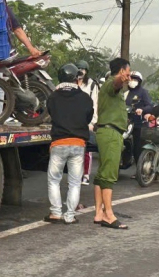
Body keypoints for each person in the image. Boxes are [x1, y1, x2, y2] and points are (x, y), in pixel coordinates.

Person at [45, 63, 94, 224]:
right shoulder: (85, 98)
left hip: (58, 142)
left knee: (54, 180)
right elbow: (88, 117)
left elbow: (51, 114)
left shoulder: (53, 97)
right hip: (78, 143)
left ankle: (56, 213)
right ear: (76, 79)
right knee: (74, 182)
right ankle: (70, 216)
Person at [93, 57, 131, 230]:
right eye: (127, 71)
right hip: (111, 133)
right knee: (109, 174)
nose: (129, 75)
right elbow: (115, 84)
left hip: (107, 132)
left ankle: (98, 213)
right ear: (122, 71)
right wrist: (119, 79)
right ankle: (109, 214)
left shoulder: (110, 87)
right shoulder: (110, 84)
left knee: (102, 173)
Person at [76, 60, 99, 186]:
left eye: (83, 69)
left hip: (87, 120)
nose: (80, 71)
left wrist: (93, 122)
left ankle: (85, 174)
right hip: (73, 119)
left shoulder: (91, 85)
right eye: (78, 68)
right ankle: (75, 173)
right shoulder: (72, 82)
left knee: (86, 149)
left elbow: (95, 104)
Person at [127, 71, 153, 169]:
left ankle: (140, 170)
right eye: (131, 79)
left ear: (139, 81)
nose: (132, 81)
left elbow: (149, 106)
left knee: (138, 147)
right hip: (127, 123)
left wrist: (142, 110)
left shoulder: (143, 92)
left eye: (135, 79)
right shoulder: (127, 92)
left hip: (139, 124)